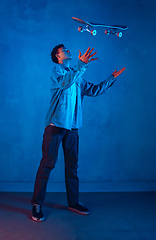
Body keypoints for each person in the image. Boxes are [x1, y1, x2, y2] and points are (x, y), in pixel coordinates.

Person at [31, 44, 125, 222]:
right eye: (64, 50)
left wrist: (111, 78)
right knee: (47, 165)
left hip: (72, 128)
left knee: (72, 167)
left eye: (68, 49)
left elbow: (95, 90)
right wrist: (81, 65)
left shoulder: (78, 76)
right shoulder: (57, 71)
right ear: (58, 56)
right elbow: (66, 82)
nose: (69, 51)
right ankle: (37, 204)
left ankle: (73, 202)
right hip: (55, 126)